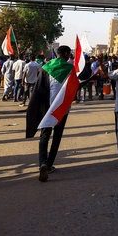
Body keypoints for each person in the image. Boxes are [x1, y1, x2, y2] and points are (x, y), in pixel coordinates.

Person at [26, 45, 78, 182]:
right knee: (57, 136)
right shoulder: (70, 69)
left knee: (44, 135)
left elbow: (39, 88)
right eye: (69, 54)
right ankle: (49, 164)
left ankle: (42, 162)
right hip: (61, 108)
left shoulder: (46, 67)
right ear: (66, 54)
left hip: (46, 107)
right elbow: (74, 87)